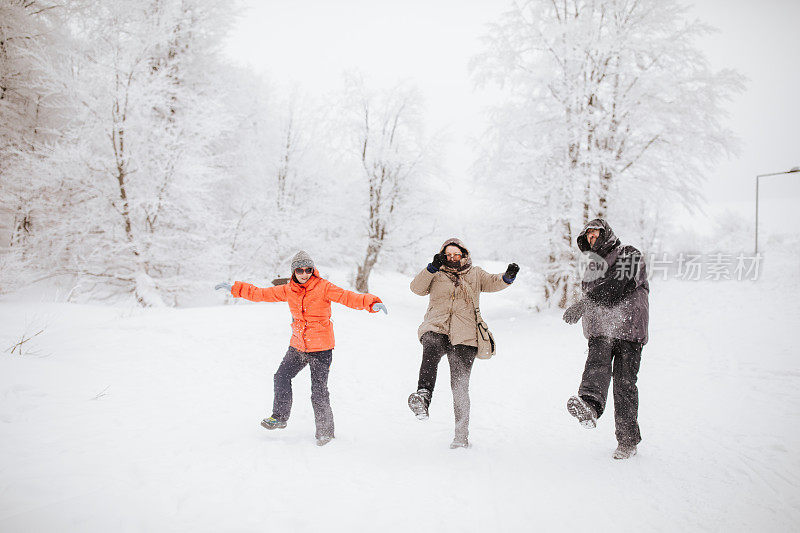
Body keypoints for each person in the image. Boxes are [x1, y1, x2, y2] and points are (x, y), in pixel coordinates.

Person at [215, 251, 387, 446]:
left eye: (308, 270)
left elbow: (347, 297)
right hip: (298, 346)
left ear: (312, 270)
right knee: (281, 376)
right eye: (300, 270)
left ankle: (325, 432)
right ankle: (279, 417)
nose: (304, 274)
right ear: (293, 271)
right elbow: (261, 294)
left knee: (319, 391)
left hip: (321, 349)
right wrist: (235, 288)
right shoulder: (289, 289)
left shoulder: (323, 287)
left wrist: (372, 303)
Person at [408, 238, 518, 449]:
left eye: (456, 255)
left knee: (459, 387)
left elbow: (494, 282)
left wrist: (508, 276)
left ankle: (461, 436)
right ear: (442, 255)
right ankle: (423, 396)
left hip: (465, 336)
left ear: (464, 255)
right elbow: (416, 288)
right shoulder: (436, 273)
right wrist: (431, 268)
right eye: (448, 255)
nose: (452, 258)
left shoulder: (475, 273)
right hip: (437, 327)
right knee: (430, 347)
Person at [562, 219, 649, 460]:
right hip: (601, 330)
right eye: (588, 236)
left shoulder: (629, 253)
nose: (592, 238)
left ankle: (628, 441)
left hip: (630, 329)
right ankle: (589, 406)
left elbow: (619, 284)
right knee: (595, 368)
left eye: (596, 233)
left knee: (624, 385)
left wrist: (585, 302)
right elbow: (594, 296)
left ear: (607, 233)